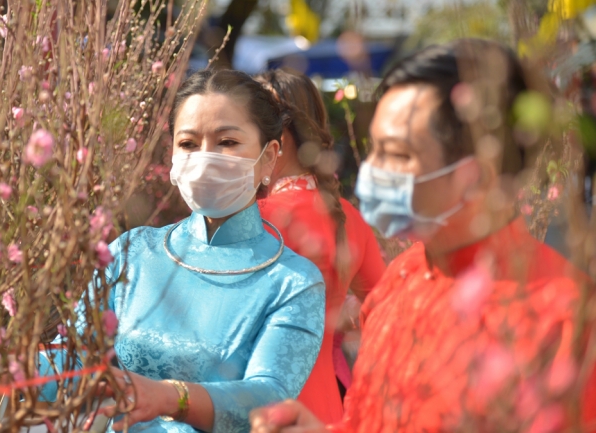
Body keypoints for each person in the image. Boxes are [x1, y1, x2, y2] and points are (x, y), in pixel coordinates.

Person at [249, 38, 596, 432]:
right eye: (373, 150)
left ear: (477, 173)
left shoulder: (565, 322)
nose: (372, 172)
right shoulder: (399, 282)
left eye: (397, 155)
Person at [37, 69, 326, 433]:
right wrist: (2, 371)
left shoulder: (293, 282)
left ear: (268, 158)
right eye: (188, 144)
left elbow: (269, 398)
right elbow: (74, 358)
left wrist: (171, 397)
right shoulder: (132, 252)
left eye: (227, 142)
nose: (206, 158)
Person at [253, 69, 385, 424]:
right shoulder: (349, 216)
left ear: (278, 133)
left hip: (263, 411)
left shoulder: (255, 220)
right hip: (329, 413)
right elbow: (388, 307)